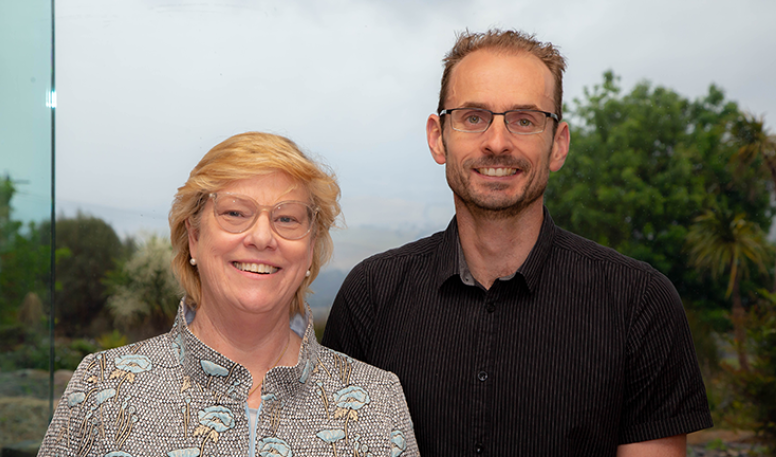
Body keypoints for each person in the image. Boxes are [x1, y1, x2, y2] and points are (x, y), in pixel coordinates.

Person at [322, 29, 713, 456]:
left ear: (558, 145)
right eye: (473, 117)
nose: (497, 142)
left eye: (524, 120)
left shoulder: (639, 302)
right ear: (438, 137)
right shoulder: (371, 296)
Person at [38, 132, 419, 457]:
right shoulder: (103, 387)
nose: (262, 237)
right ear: (194, 236)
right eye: (236, 213)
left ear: (310, 248)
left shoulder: (378, 402)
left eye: (287, 218)